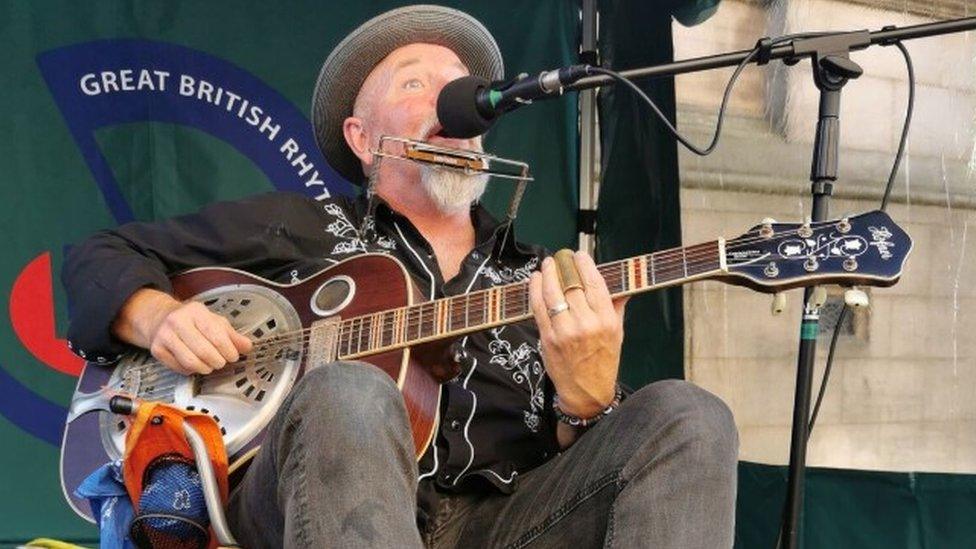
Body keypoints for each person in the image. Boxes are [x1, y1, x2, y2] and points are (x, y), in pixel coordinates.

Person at [62, 5, 738, 548]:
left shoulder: (542, 277)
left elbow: (592, 472)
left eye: (461, 87)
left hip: (506, 523)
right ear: (361, 138)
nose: (451, 96)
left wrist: (585, 406)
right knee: (350, 393)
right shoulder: (297, 224)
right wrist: (160, 315)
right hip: (296, 505)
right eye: (416, 83)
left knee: (688, 416)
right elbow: (98, 256)